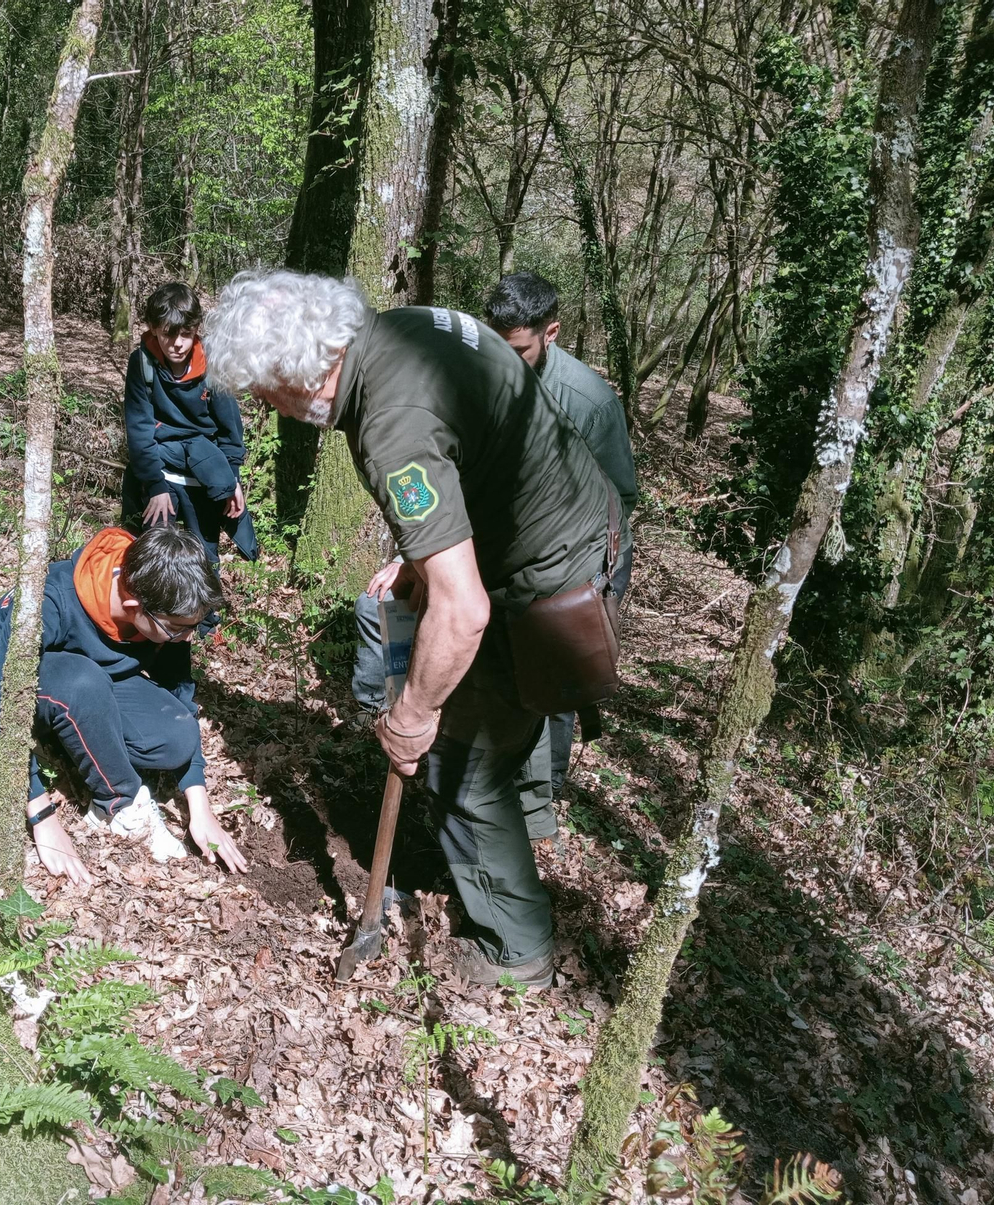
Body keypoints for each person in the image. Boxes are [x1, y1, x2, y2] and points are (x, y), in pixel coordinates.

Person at [206, 270, 626, 987]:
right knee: (480, 744)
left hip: (549, 576)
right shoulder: (400, 329)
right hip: (557, 536)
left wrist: (415, 711)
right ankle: (488, 852)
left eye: (266, 390)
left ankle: (516, 951)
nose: (269, 406)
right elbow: (468, 446)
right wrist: (417, 556)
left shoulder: (389, 419)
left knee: (461, 758)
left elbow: (462, 611)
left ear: (303, 370)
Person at [0, 524, 249, 885]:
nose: (187, 637)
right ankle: (118, 805)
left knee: (175, 735)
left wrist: (199, 806)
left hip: (89, 674)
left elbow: (178, 694)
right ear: (133, 606)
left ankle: (79, 731)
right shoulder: (53, 600)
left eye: (194, 626)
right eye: (179, 628)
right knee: (83, 681)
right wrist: (41, 815)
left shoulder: (166, 608)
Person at [484, 271, 638, 838]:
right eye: (498, 344)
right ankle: (497, 784)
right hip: (507, 547)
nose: (507, 359)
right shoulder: (483, 369)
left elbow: (618, 497)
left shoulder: (588, 401)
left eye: (519, 349)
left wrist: (594, 585)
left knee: (553, 676)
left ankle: (538, 805)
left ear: (551, 332)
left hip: (582, 555)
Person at [122, 282, 257, 573]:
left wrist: (232, 478)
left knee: (204, 560)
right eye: (169, 334)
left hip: (202, 476)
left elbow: (229, 429)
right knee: (154, 557)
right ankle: (153, 617)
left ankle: (205, 619)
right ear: (154, 329)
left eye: (186, 333)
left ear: (196, 329)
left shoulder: (211, 363)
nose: (178, 343)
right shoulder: (142, 364)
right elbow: (139, 430)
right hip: (160, 472)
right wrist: (155, 486)